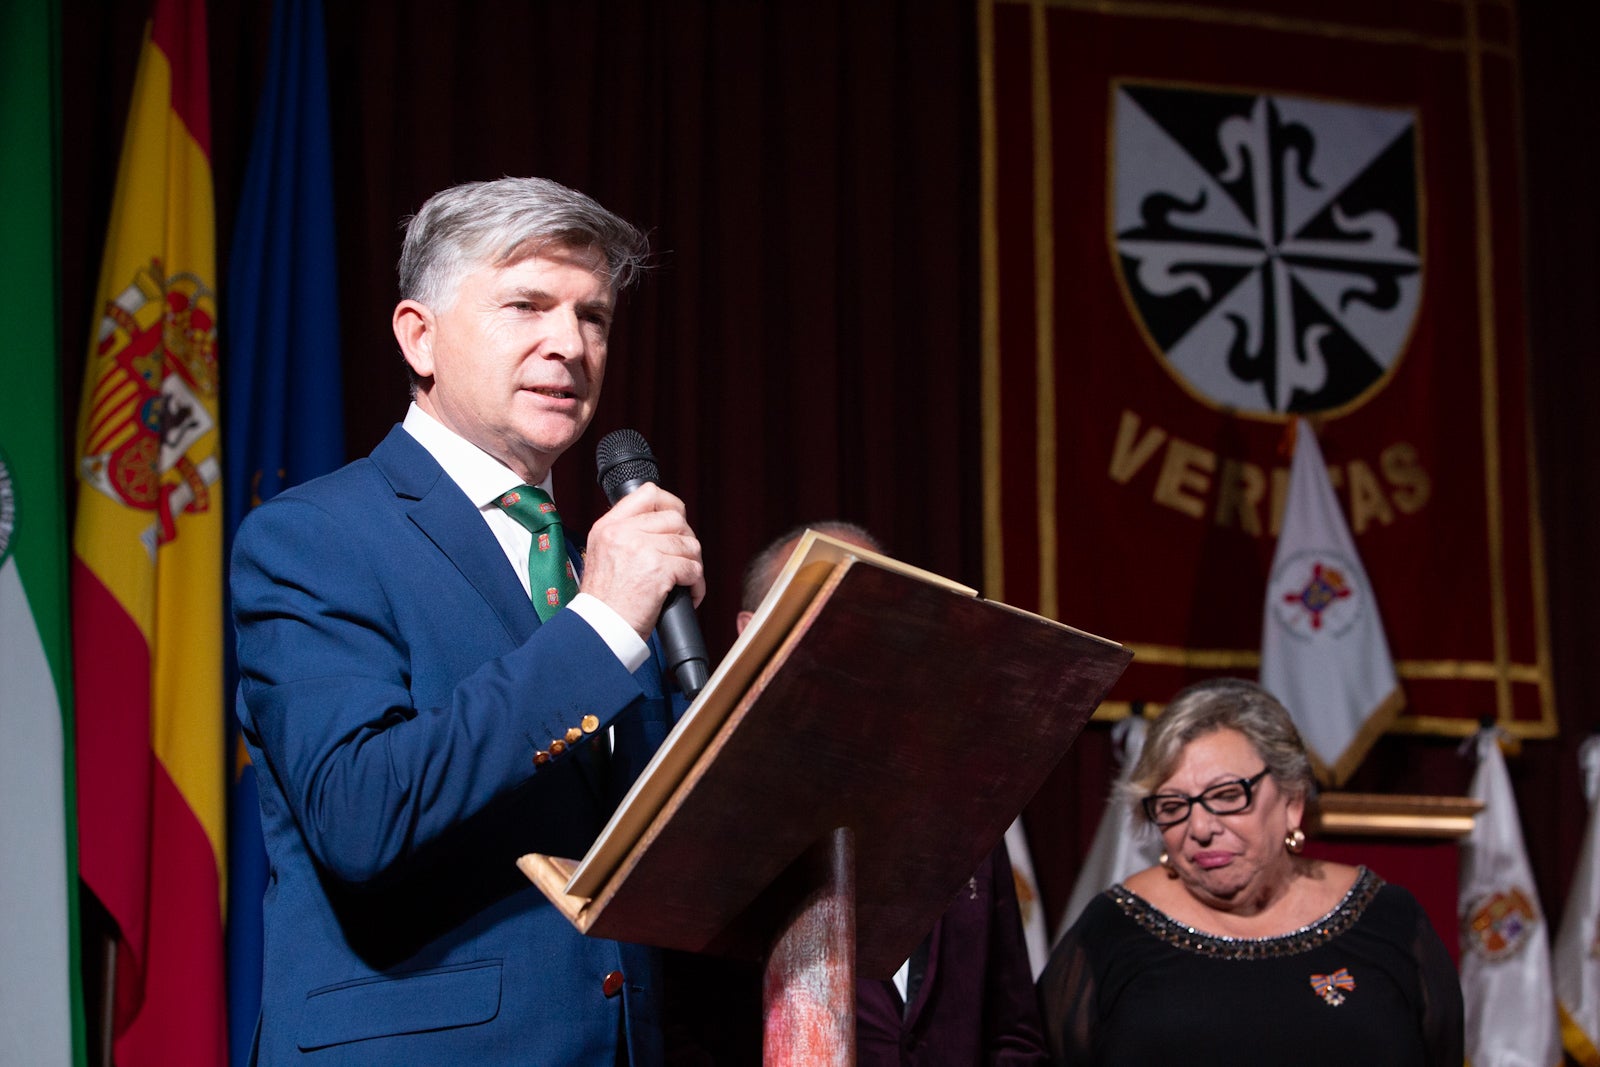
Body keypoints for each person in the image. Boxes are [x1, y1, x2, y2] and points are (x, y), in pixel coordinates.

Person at [231, 177, 703, 1065]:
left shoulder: (593, 562)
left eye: (592, 316)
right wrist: (601, 623)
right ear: (420, 336)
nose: (569, 344)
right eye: (526, 303)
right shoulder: (312, 536)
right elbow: (361, 810)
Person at [734, 521, 1050, 1066]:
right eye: (817, 605)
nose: (845, 633)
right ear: (748, 631)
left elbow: (1013, 1035)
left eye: (870, 608)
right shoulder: (717, 811)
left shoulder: (964, 806)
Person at [1036, 678, 1463, 1066]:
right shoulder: (1112, 929)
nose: (1200, 829)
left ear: (1292, 800)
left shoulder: (1388, 919)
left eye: (1226, 796)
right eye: (1172, 807)